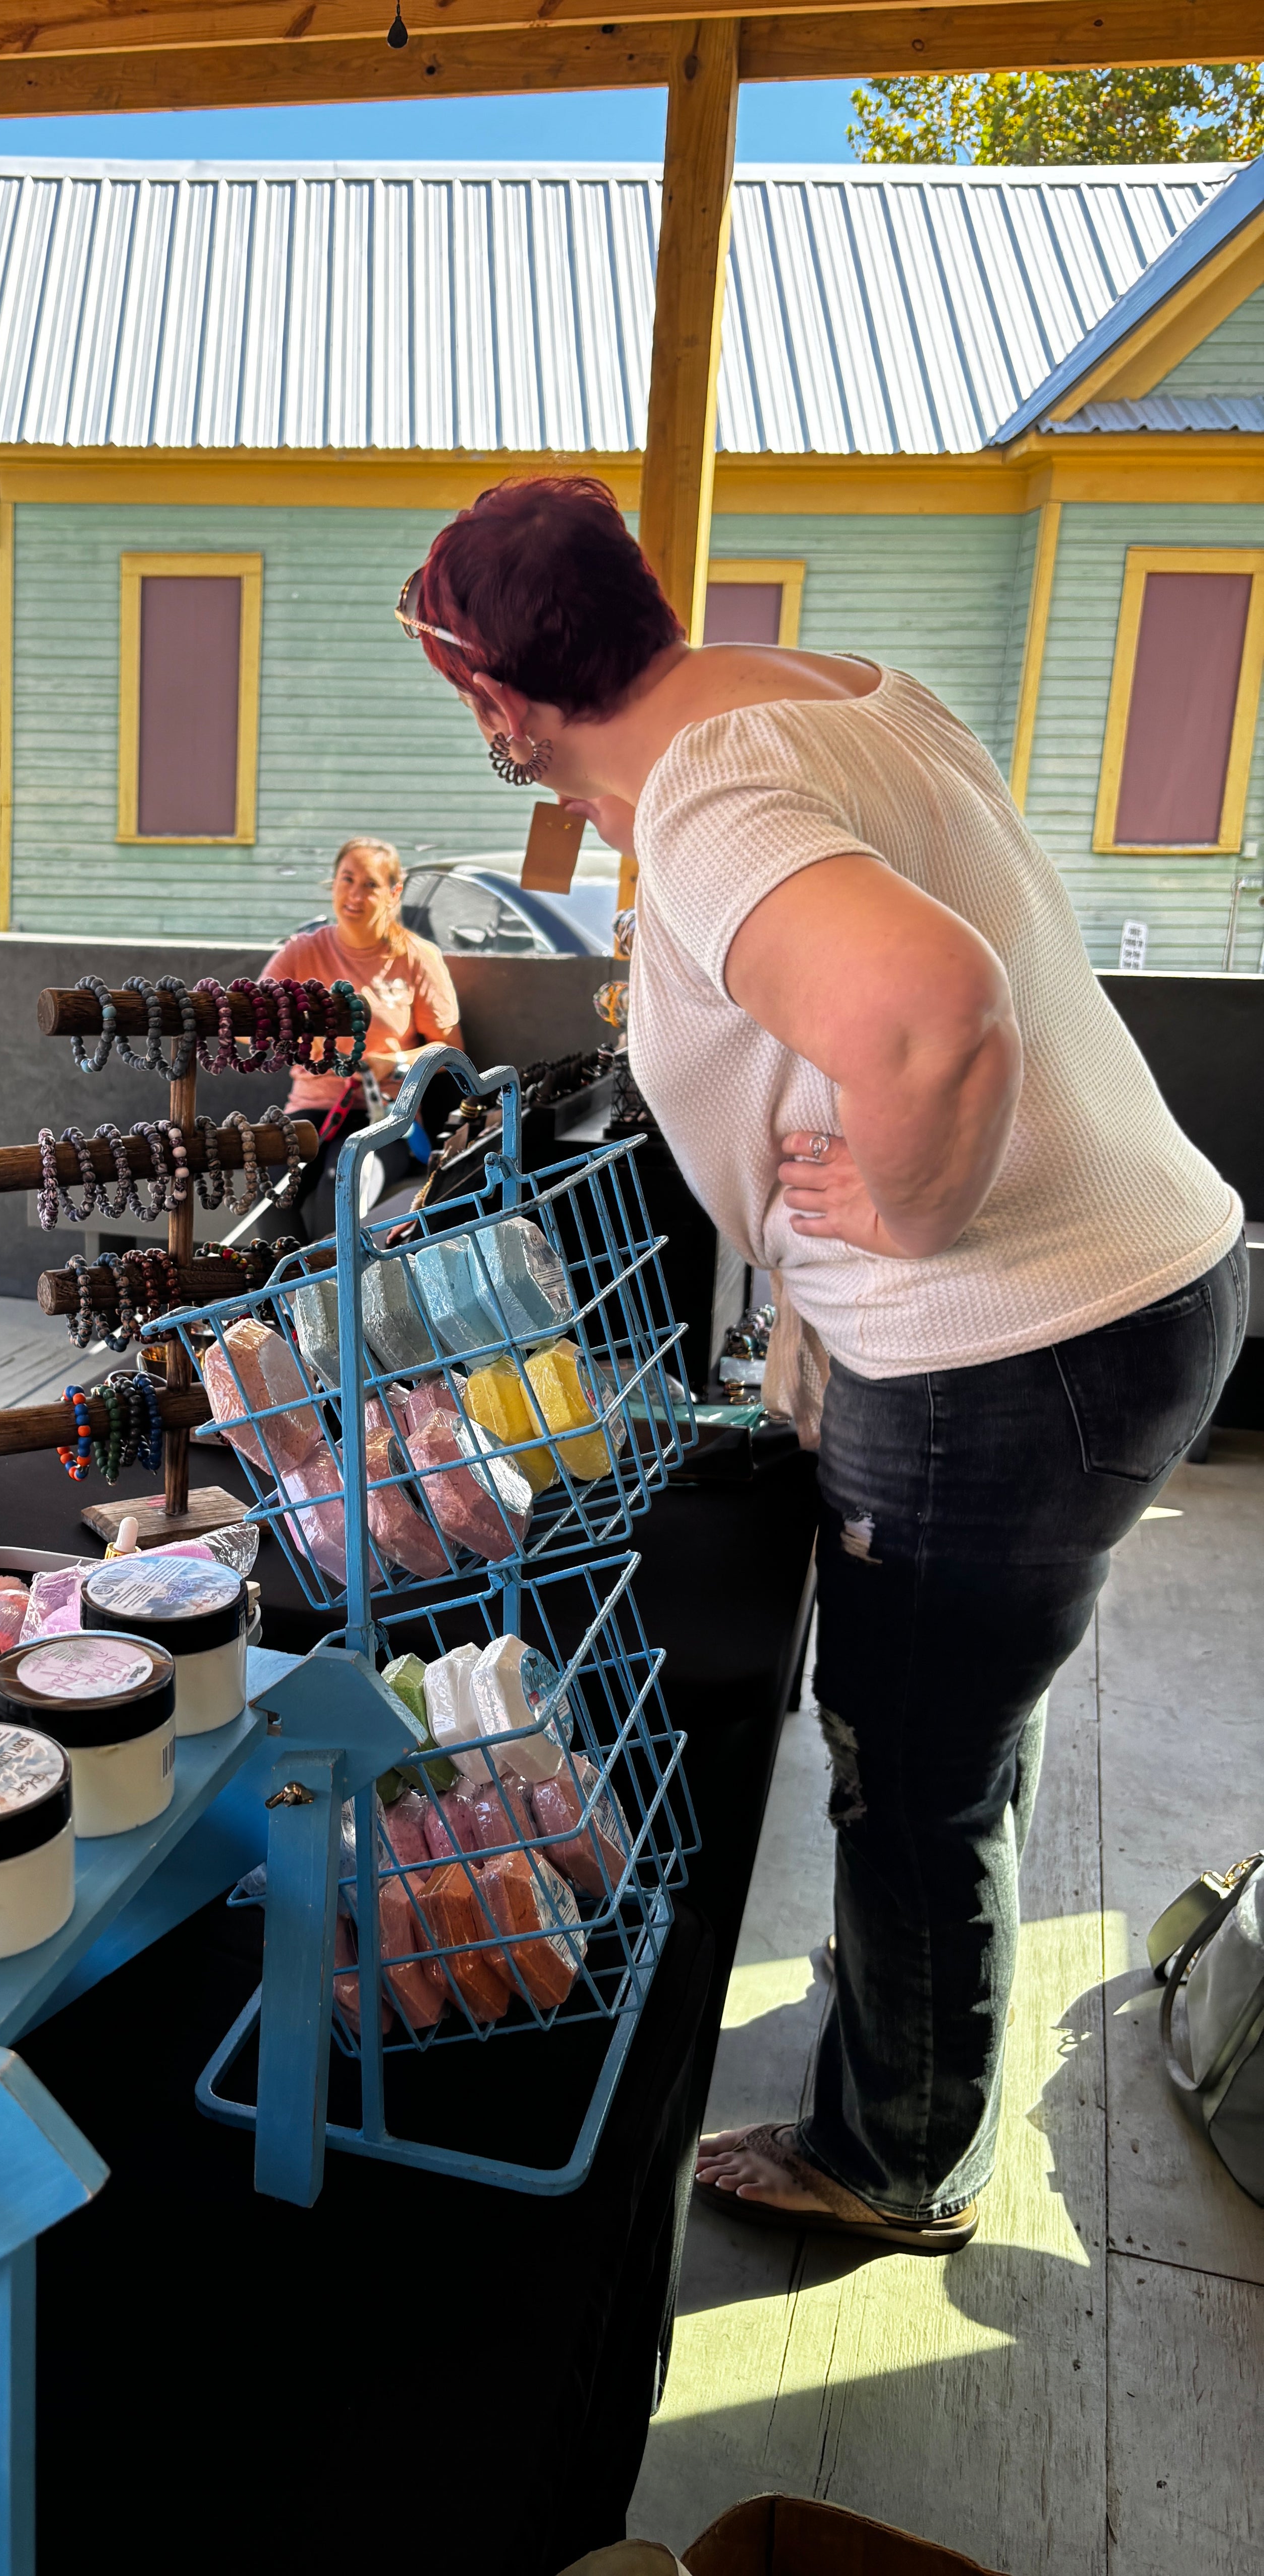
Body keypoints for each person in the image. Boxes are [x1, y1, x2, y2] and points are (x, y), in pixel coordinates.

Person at [399, 475, 1245, 2252]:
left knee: (911, 1762)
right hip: (1150, 1283)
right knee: (960, 1732)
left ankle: (900, 2151)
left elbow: (935, 1013)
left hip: (1019, 1349)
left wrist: (908, 1213)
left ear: (492, 697)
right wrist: (819, 1284)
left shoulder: (708, 808)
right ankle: (920, 2016)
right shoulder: (836, 694)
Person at [261, 837, 464, 1234]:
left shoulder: (416, 956)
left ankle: (330, 1290)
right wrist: (300, 1033)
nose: (355, 895)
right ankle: (281, 1294)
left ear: (393, 893)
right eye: (347, 880)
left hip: (387, 1114)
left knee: (340, 1187)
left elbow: (452, 1049)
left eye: (369, 884)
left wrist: (393, 1063)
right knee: (270, 1189)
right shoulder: (301, 952)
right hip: (311, 1106)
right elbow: (253, 1027)